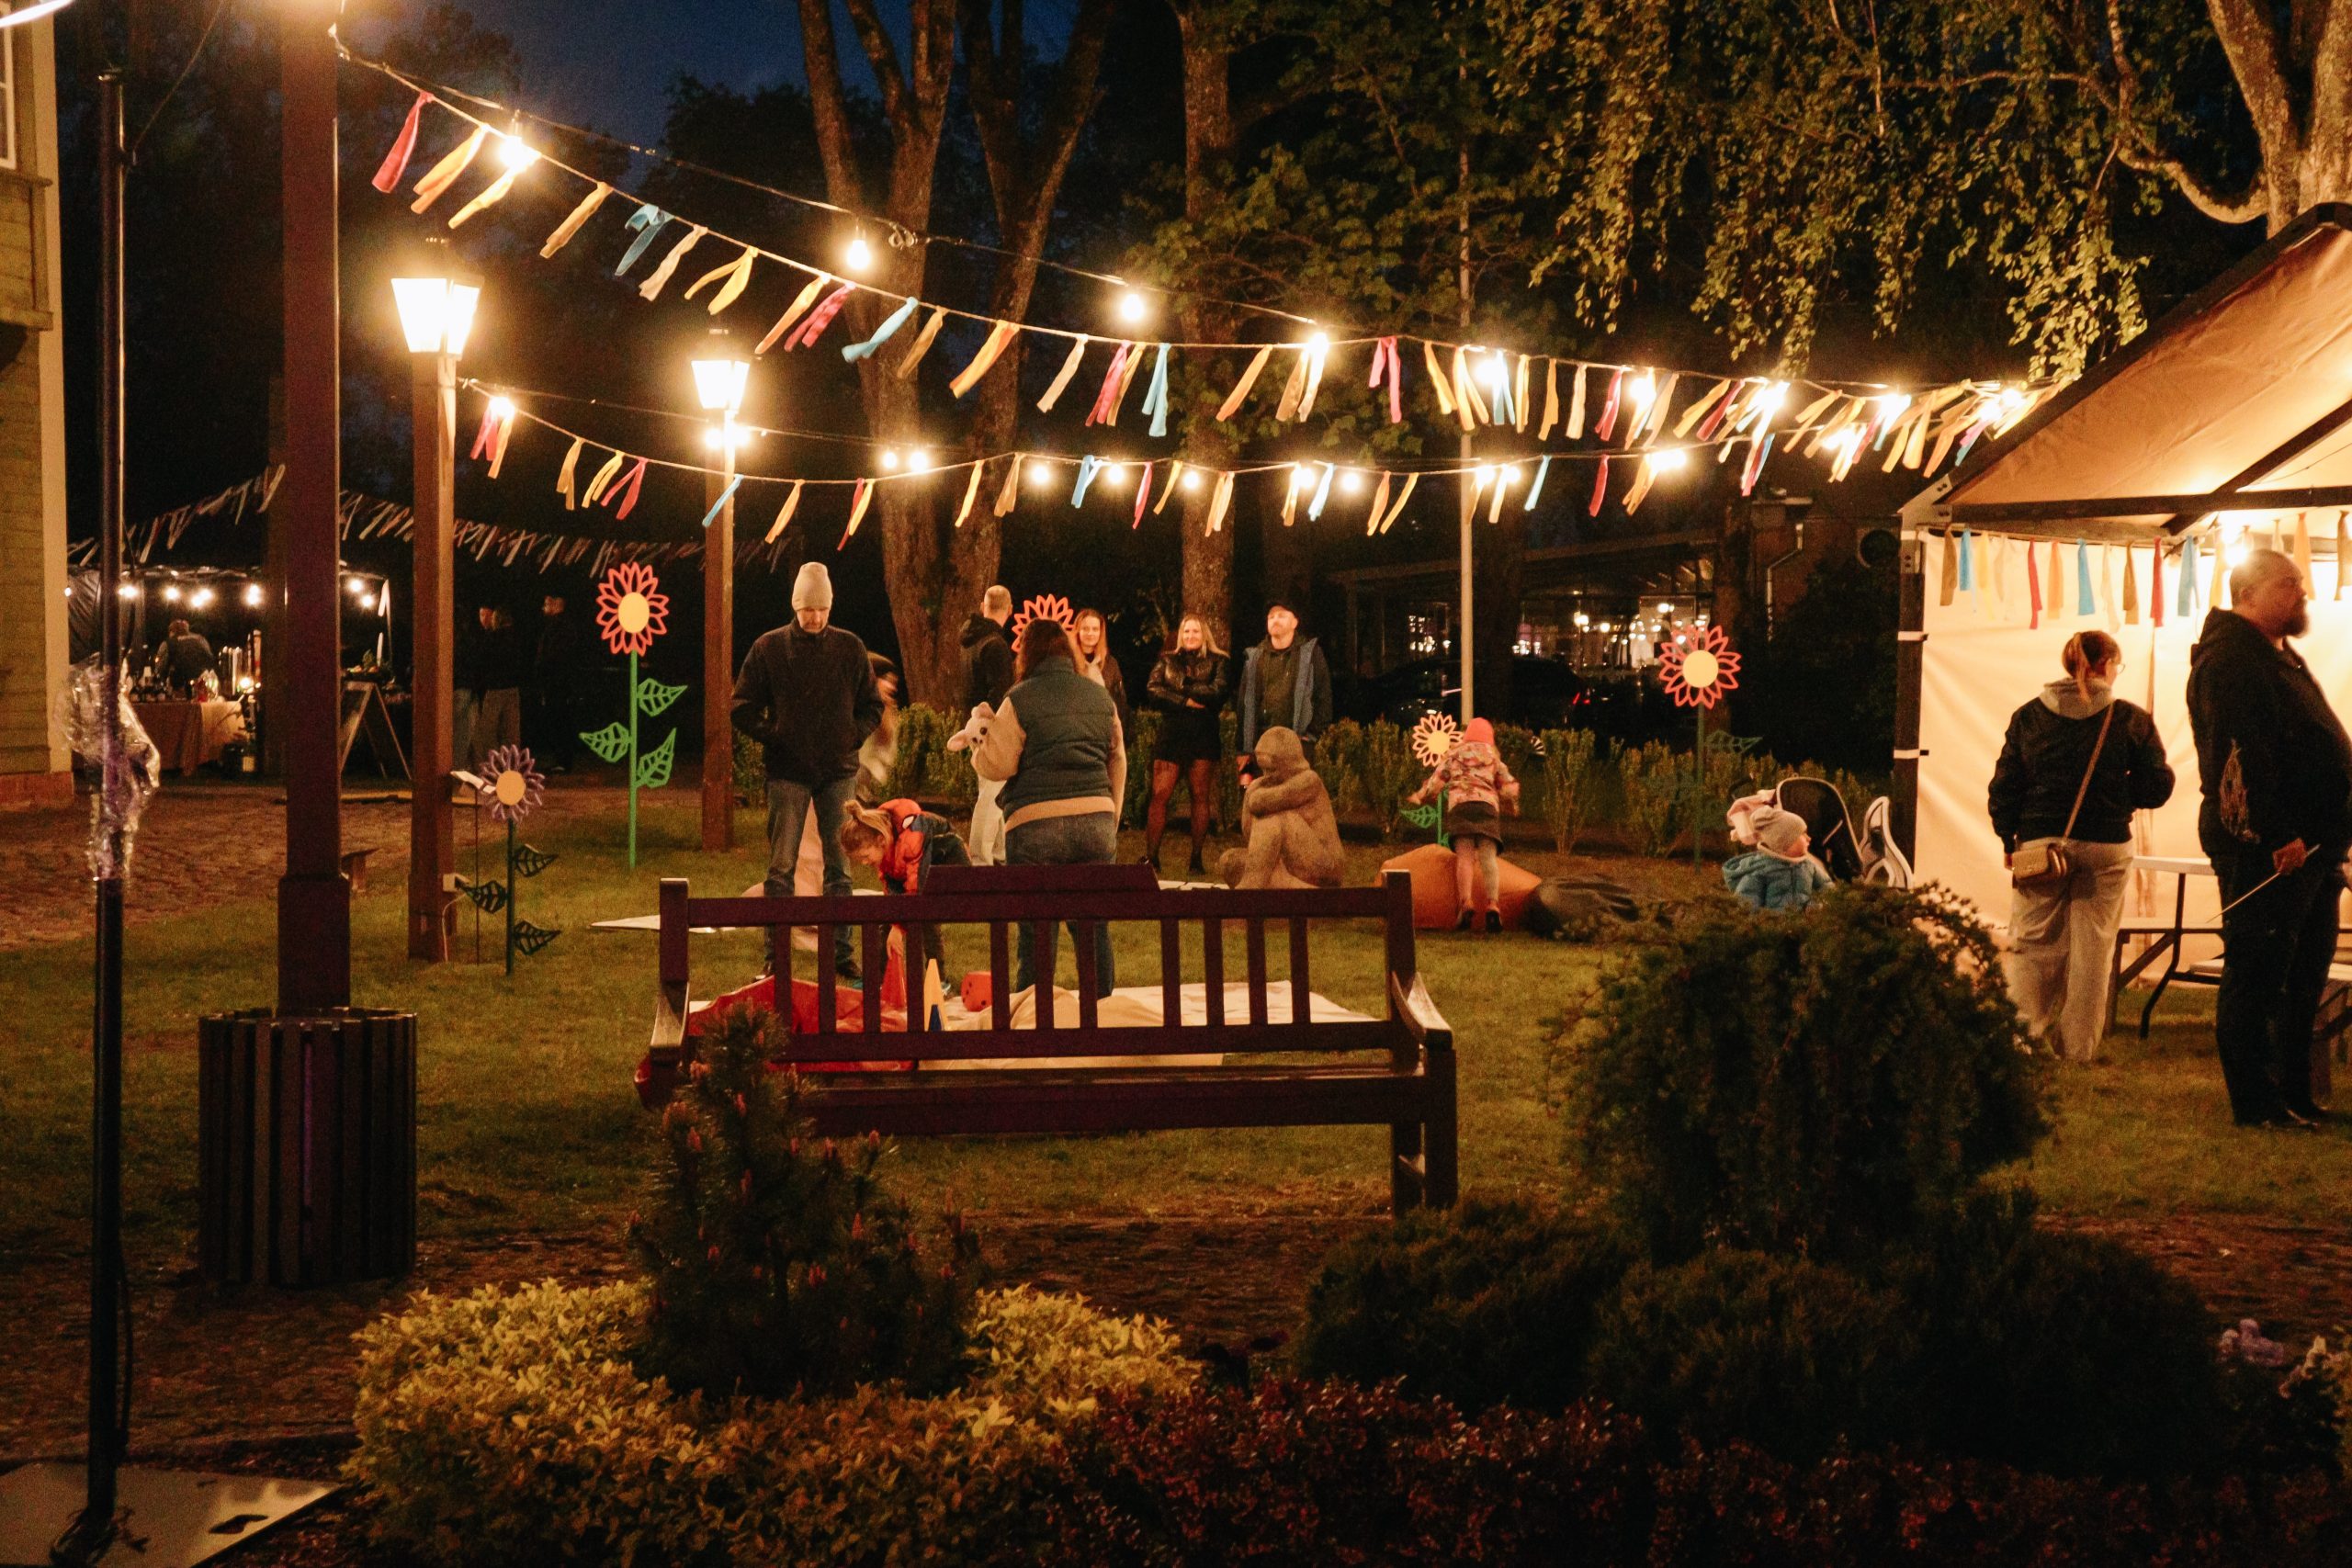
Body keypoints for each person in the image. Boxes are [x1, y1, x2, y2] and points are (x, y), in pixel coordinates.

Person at [2187, 547, 2352, 1128]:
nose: (2302, 592)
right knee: (2259, 971)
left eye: (2300, 582)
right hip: (2270, 846)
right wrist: (2276, 834)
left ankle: (2294, 1093)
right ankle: (2256, 1102)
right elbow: (2240, 754)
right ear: (2248, 593)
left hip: (2316, 845)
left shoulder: (2278, 656)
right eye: (2289, 583)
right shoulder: (2231, 659)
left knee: (2304, 975)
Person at [1986, 629, 2176, 1064]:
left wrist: (2007, 837)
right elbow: (2158, 784)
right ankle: (2077, 1051)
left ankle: (2023, 1042)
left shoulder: (2029, 717)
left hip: (2041, 843)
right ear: (2104, 664)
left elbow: (2005, 785)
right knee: (2094, 950)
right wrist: (2119, 798)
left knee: (2033, 947)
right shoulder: (2129, 719)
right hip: (2107, 845)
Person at [731, 562, 883, 980]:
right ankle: (774, 956)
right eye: (807, 610)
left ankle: (841, 954)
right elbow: (741, 706)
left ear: (830, 607)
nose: (815, 618)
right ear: (795, 606)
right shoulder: (769, 648)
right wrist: (774, 735)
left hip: (838, 772)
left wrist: (852, 735)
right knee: (781, 867)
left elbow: (872, 704)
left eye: (821, 609)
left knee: (840, 867)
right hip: (788, 771)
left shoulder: (850, 648)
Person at [971, 617, 1126, 994]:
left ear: (1026, 654)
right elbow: (1118, 759)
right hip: (1096, 822)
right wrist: (1110, 815)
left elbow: (998, 765)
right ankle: (1101, 1008)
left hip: (1035, 825)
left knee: (1036, 927)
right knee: (1093, 926)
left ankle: (1034, 1012)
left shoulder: (1019, 699)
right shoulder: (1099, 697)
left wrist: (978, 744)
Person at [1407, 716, 1521, 931]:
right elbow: (1509, 786)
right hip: (1487, 807)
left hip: (1461, 806)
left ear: (1466, 737)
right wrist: (1510, 801)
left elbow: (1436, 781)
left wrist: (1420, 795)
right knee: (1488, 857)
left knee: (1465, 858)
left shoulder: (1455, 755)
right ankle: (1493, 904)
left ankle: (1466, 902)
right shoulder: (1493, 757)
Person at [840, 796, 970, 978]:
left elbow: (916, 886)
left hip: (946, 862)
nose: (864, 863)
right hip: (917, 871)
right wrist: (894, 920)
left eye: (865, 856)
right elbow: (892, 889)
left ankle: (938, 978)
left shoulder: (911, 839)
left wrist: (899, 927)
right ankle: (880, 978)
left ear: (880, 840)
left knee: (927, 919)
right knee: (888, 917)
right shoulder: (885, 848)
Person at [1143, 614, 1229, 875]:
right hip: (1172, 733)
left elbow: (1218, 692)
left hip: (1203, 734)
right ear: (1181, 635)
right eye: (1186, 631)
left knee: (1200, 796)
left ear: (1204, 635)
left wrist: (1184, 687)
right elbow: (1153, 690)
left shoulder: (1219, 661)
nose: (1191, 636)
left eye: (1195, 631)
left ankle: (1196, 859)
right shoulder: (1167, 660)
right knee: (1160, 795)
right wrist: (1185, 701)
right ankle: (1151, 858)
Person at [1237, 597, 1332, 780]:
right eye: (1271, 617)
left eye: (1281, 615)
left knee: (1295, 795)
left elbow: (1324, 696)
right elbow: (1245, 704)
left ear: (1295, 622)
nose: (1275, 620)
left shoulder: (1309, 654)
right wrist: (1244, 748)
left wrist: (1311, 734)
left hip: (1297, 744)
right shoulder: (1255, 657)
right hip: (1262, 745)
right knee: (1263, 795)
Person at [961, 585, 1017, 865]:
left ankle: (998, 853)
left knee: (993, 790)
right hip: (990, 728)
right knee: (992, 793)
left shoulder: (972, 642)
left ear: (983, 606)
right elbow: (1001, 692)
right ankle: (982, 857)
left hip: (974, 725)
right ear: (1010, 609)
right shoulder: (996, 645)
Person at [1723, 805, 1834, 912]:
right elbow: (1746, 907)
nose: (1809, 838)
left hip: (1803, 923)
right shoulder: (1759, 870)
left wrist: (1815, 905)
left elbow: (1829, 891)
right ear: (1783, 842)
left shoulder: (1808, 865)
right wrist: (1766, 921)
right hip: (1775, 923)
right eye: (1802, 834)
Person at [528, 592, 586, 773]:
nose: (543, 608)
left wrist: (544, 674)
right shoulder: (562, 627)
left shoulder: (558, 628)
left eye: (546, 604)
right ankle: (562, 759)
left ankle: (563, 760)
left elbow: (554, 657)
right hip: (559, 682)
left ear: (555, 605)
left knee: (559, 720)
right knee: (560, 721)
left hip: (557, 683)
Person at [468, 604, 526, 770]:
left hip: (495, 687)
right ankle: (512, 765)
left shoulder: (493, 638)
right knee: (511, 730)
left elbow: (482, 662)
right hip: (512, 687)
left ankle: (491, 764)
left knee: (488, 729)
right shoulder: (517, 638)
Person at [1072, 607, 1131, 736]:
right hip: (1075, 730)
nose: (1090, 633)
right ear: (1077, 630)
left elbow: (1119, 701)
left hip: (1103, 731)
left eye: (1095, 629)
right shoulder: (1068, 661)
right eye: (1085, 629)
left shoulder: (1110, 663)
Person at [160, 618, 215, 694]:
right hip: (202, 684)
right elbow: (210, 658)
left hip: (179, 686)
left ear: (172, 631)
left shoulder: (168, 643)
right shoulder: (201, 639)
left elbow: (161, 667)